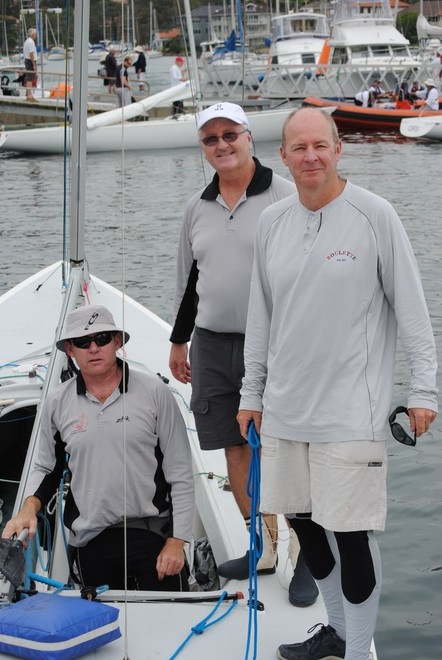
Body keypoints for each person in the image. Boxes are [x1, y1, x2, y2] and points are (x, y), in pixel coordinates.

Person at [237, 107, 438, 660]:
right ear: (283, 156)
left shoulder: (376, 215)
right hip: (284, 410)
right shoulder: (272, 224)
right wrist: (251, 395)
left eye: (320, 146)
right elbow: (261, 320)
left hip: (352, 412)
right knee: (305, 527)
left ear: (338, 148)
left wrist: (424, 391)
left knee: (351, 536)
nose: (310, 157)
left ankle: (358, 648)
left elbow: (413, 312)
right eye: (299, 148)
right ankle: (336, 630)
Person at [168, 101, 318, 607]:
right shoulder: (196, 206)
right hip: (211, 344)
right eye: (210, 139)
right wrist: (178, 340)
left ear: (249, 137)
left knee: (284, 451)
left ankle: (306, 559)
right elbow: (190, 281)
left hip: (275, 345)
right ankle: (264, 549)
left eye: (230, 134)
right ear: (204, 149)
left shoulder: (286, 194)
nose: (222, 145)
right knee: (234, 449)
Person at [2, 305, 194, 592]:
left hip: (154, 537)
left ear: (117, 342)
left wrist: (178, 541)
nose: (93, 348)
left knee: (166, 629)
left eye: (102, 338)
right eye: (82, 342)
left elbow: (180, 470)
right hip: (91, 541)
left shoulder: (155, 392)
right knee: (103, 634)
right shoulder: (56, 402)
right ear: (70, 349)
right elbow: (46, 467)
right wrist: (28, 509)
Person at [23, 27, 38, 102]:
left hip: (27, 60)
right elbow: (31, 54)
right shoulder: (31, 42)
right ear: (33, 34)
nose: (36, 35)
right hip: (30, 61)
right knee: (30, 78)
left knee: (29, 78)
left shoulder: (26, 41)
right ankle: (29, 96)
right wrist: (34, 64)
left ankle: (29, 94)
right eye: (35, 34)